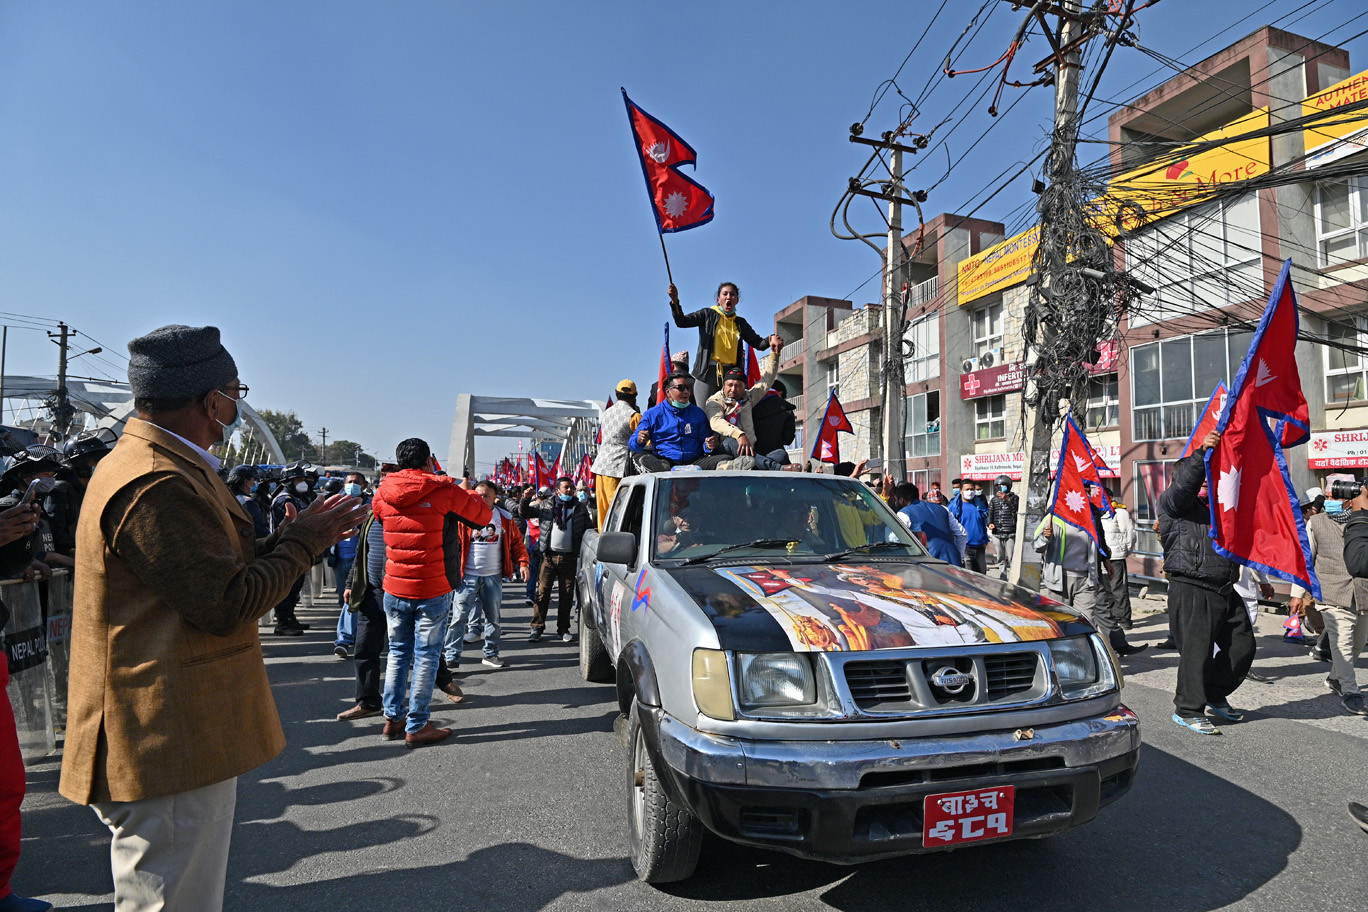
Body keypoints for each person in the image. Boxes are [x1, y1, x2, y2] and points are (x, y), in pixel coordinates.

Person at [59, 324, 366, 912]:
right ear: (211, 400)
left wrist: (288, 539)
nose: (235, 405)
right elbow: (224, 602)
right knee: (174, 901)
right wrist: (303, 543)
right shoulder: (156, 482)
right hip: (165, 735)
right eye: (234, 391)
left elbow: (208, 570)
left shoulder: (159, 464)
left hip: (170, 730)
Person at [371, 437, 492, 747]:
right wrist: (463, 488)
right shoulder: (443, 491)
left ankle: (393, 717)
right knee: (426, 656)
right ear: (428, 461)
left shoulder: (382, 493)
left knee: (398, 652)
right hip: (432, 586)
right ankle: (418, 724)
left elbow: (386, 519)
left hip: (395, 585)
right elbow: (483, 516)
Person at [1158, 431, 1252, 735]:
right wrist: (1202, 455)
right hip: (1192, 587)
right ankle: (1188, 709)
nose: (1202, 484)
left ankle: (1213, 692)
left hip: (1225, 588)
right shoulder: (1173, 504)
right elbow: (1186, 483)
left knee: (1243, 646)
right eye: (1198, 479)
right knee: (1196, 653)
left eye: (1205, 479)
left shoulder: (1218, 511)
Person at [1288, 492, 1368, 716]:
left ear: (1352, 499)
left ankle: (1335, 678)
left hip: (1362, 594)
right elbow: (1305, 559)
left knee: (1358, 643)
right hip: (1332, 593)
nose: (1331, 498)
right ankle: (1351, 693)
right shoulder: (1317, 522)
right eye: (1330, 493)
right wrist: (1297, 593)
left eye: (1339, 494)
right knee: (1342, 643)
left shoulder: (1364, 521)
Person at [445, 480, 529, 670]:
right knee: (458, 618)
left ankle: (491, 654)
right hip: (467, 577)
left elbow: (517, 543)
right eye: (478, 495)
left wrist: (523, 563)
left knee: (493, 619)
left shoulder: (505, 518)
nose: (482, 499)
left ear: (494, 497)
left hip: (493, 577)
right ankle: (452, 657)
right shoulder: (463, 518)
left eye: (486, 496)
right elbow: (454, 545)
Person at [338, 469, 392, 721]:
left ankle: (443, 680)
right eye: (380, 484)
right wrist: (351, 583)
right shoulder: (371, 513)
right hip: (371, 592)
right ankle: (368, 702)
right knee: (364, 649)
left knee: (412, 648)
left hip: (401, 592)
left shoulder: (412, 512)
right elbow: (362, 551)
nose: (382, 488)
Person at [669, 281, 779, 402]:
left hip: (731, 377)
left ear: (736, 300)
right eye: (725, 294)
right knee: (704, 415)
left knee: (730, 414)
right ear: (718, 299)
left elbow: (759, 343)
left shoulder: (740, 323)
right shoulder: (707, 315)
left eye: (732, 295)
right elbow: (681, 321)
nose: (728, 297)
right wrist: (675, 301)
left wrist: (771, 338)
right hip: (707, 374)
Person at [705, 342, 795, 471]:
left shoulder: (749, 397)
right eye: (730, 385)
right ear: (724, 385)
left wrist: (775, 354)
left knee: (780, 454)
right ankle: (776, 468)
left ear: (744, 388)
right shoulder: (715, 400)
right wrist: (739, 435)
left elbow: (767, 380)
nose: (733, 389)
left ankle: (758, 467)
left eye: (738, 386)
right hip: (725, 450)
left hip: (751, 452)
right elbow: (716, 422)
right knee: (731, 441)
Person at [523, 477, 591, 642]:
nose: (569, 490)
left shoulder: (580, 508)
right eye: (566, 487)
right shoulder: (546, 505)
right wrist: (525, 499)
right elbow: (524, 513)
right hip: (549, 557)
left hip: (569, 558)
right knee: (542, 593)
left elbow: (588, 530)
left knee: (566, 595)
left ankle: (563, 629)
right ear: (557, 490)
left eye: (571, 487)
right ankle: (537, 628)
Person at [48, 428, 118, 560]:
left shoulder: (96, 491)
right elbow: (57, 534)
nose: (101, 464)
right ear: (80, 464)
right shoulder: (61, 491)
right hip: (70, 562)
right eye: (96, 459)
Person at [629, 371, 720, 472]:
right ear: (668, 392)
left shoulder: (698, 413)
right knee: (640, 457)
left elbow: (705, 442)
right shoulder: (652, 414)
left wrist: (709, 445)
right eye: (681, 388)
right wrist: (639, 440)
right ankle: (661, 467)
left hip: (694, 462)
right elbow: (633, 445)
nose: (686, 392)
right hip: (665, 462)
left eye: (688, 387)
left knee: (724, 459)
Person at [268, 462, 315, 636]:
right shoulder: (284, 499)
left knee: (296, 586)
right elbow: (288, 526)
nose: (304, 482)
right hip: (286, 548)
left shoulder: (298, 497)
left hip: (298, 547)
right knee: (287, 586)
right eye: (299, 479)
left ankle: (290, 617)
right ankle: (283, 621)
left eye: (304, 478)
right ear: (289, 481)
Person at [329, 472, 368, 658]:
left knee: (352, 597)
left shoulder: (372, 505)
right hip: (340, 558)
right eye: (349, 482)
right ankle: (350, 634)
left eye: (356, 483)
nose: (352, 485)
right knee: (344, 598)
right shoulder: (337, 504)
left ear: (364, 486)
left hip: (360, 559)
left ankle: (344, 639)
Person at [892, 482, 965, 566]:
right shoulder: (943, 509)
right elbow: (962, 533)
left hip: (928, 565)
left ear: (901, 500)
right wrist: (958, 557)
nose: (895, 502)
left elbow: (894, 540)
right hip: (954, 563)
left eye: (896, 499)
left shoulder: (904, 513)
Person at [1098, 499, 1137, 629]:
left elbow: (1130, 534)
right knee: (1106, 590)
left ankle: (1124, 619)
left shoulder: (1120, 513)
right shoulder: (1097, 513)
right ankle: (1112, 618)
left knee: (1118, 589)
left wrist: (1124, 551)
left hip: (1116, 557)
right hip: (1101, 558)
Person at [751, 377, 797, 458]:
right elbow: (788, 439)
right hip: (776, 455)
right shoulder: (787, 409)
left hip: (753, 454)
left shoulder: (751, 405)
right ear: (780, 393)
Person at [950, 483, 990, 573]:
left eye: (972, 489)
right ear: (961, 491)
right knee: (968, 577)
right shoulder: (955, 507)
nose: (970, 492)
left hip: (980, 546)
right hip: (965, 547)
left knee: (982, 576)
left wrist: (985, 540)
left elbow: (983, 524)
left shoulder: (980, 506)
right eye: (967, 489)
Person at [987, 475, 1019, 578]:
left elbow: (1015, 510)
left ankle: (1014, 576)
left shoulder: (1014, 498)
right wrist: (990, 523)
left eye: (1003, 485)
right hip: (997, 532)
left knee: (1011, 556)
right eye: (999, 486)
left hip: (1010, 532)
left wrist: (1007, 499)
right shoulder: (994, 500)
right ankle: (1003, 575)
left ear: (1008, 486)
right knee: (1000, 556)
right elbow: (990, 513)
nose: (1001, 487)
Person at [226, 464, 270, 538]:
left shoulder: (228, 497)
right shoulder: (247, 503)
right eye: (254, 480)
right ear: (246, 482)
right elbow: (260, 530)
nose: (255, 483)